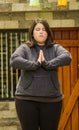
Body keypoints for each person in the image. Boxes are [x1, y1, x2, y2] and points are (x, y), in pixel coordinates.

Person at [10, 18, 72, 130]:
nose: (41, 31)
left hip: (52, 101)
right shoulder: (25, 48)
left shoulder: (55, 48)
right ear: (32, 33)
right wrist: (35, 64)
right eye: (37, 29)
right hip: (26, 100)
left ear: (48, 33)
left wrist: (47, 64)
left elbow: (67, 57)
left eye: (44, 29)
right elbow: (14, 60)